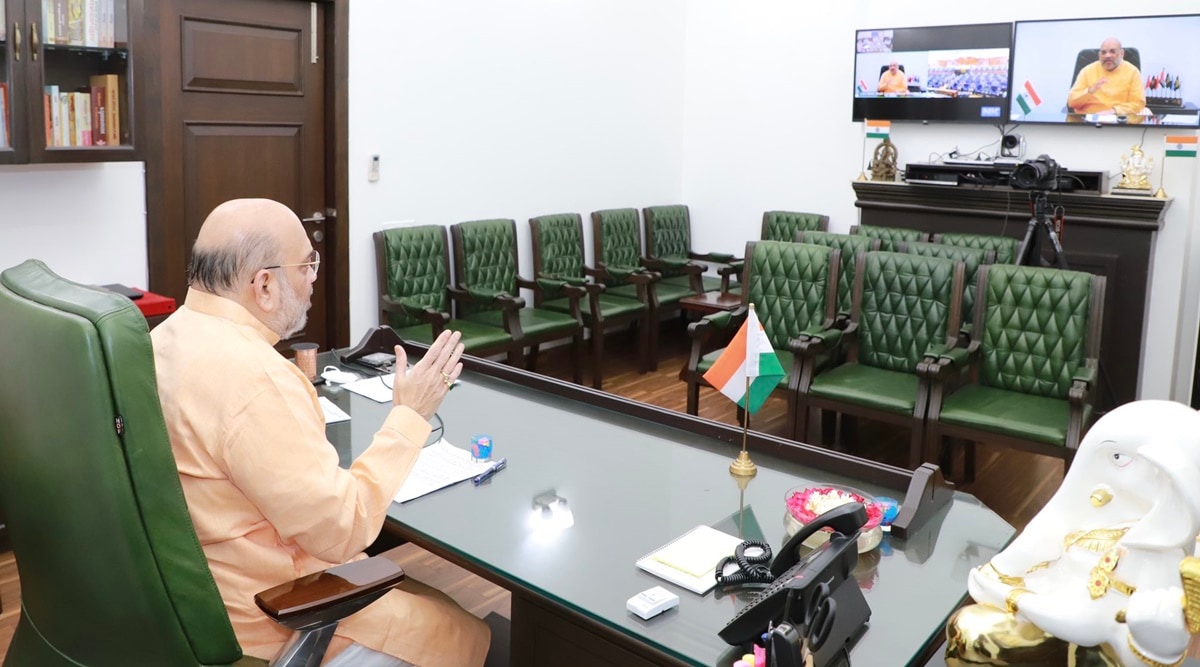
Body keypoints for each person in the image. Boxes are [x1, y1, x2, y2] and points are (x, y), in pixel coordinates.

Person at [151, 198, 489, 666]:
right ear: (264, 285)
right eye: (307, 265)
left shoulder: (161, 339)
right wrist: (411, 415)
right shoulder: (257, 378)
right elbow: (342, 531)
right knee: (466, 630)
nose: (313, 278)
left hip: (189, 599)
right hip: (277, 615)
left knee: (432, 603)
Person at [1067, 37, 1146, 115]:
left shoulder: (1133, 72)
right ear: (1099, 55)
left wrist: (1114, 111)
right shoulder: (1087, 71)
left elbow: (1138, 104)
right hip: (1088, 119)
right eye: (1103, 52)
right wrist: (1089, 91)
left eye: (1112, 51)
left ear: (1122, 53)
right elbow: (1071, 102)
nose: (1107, 55)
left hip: (1119, 119)